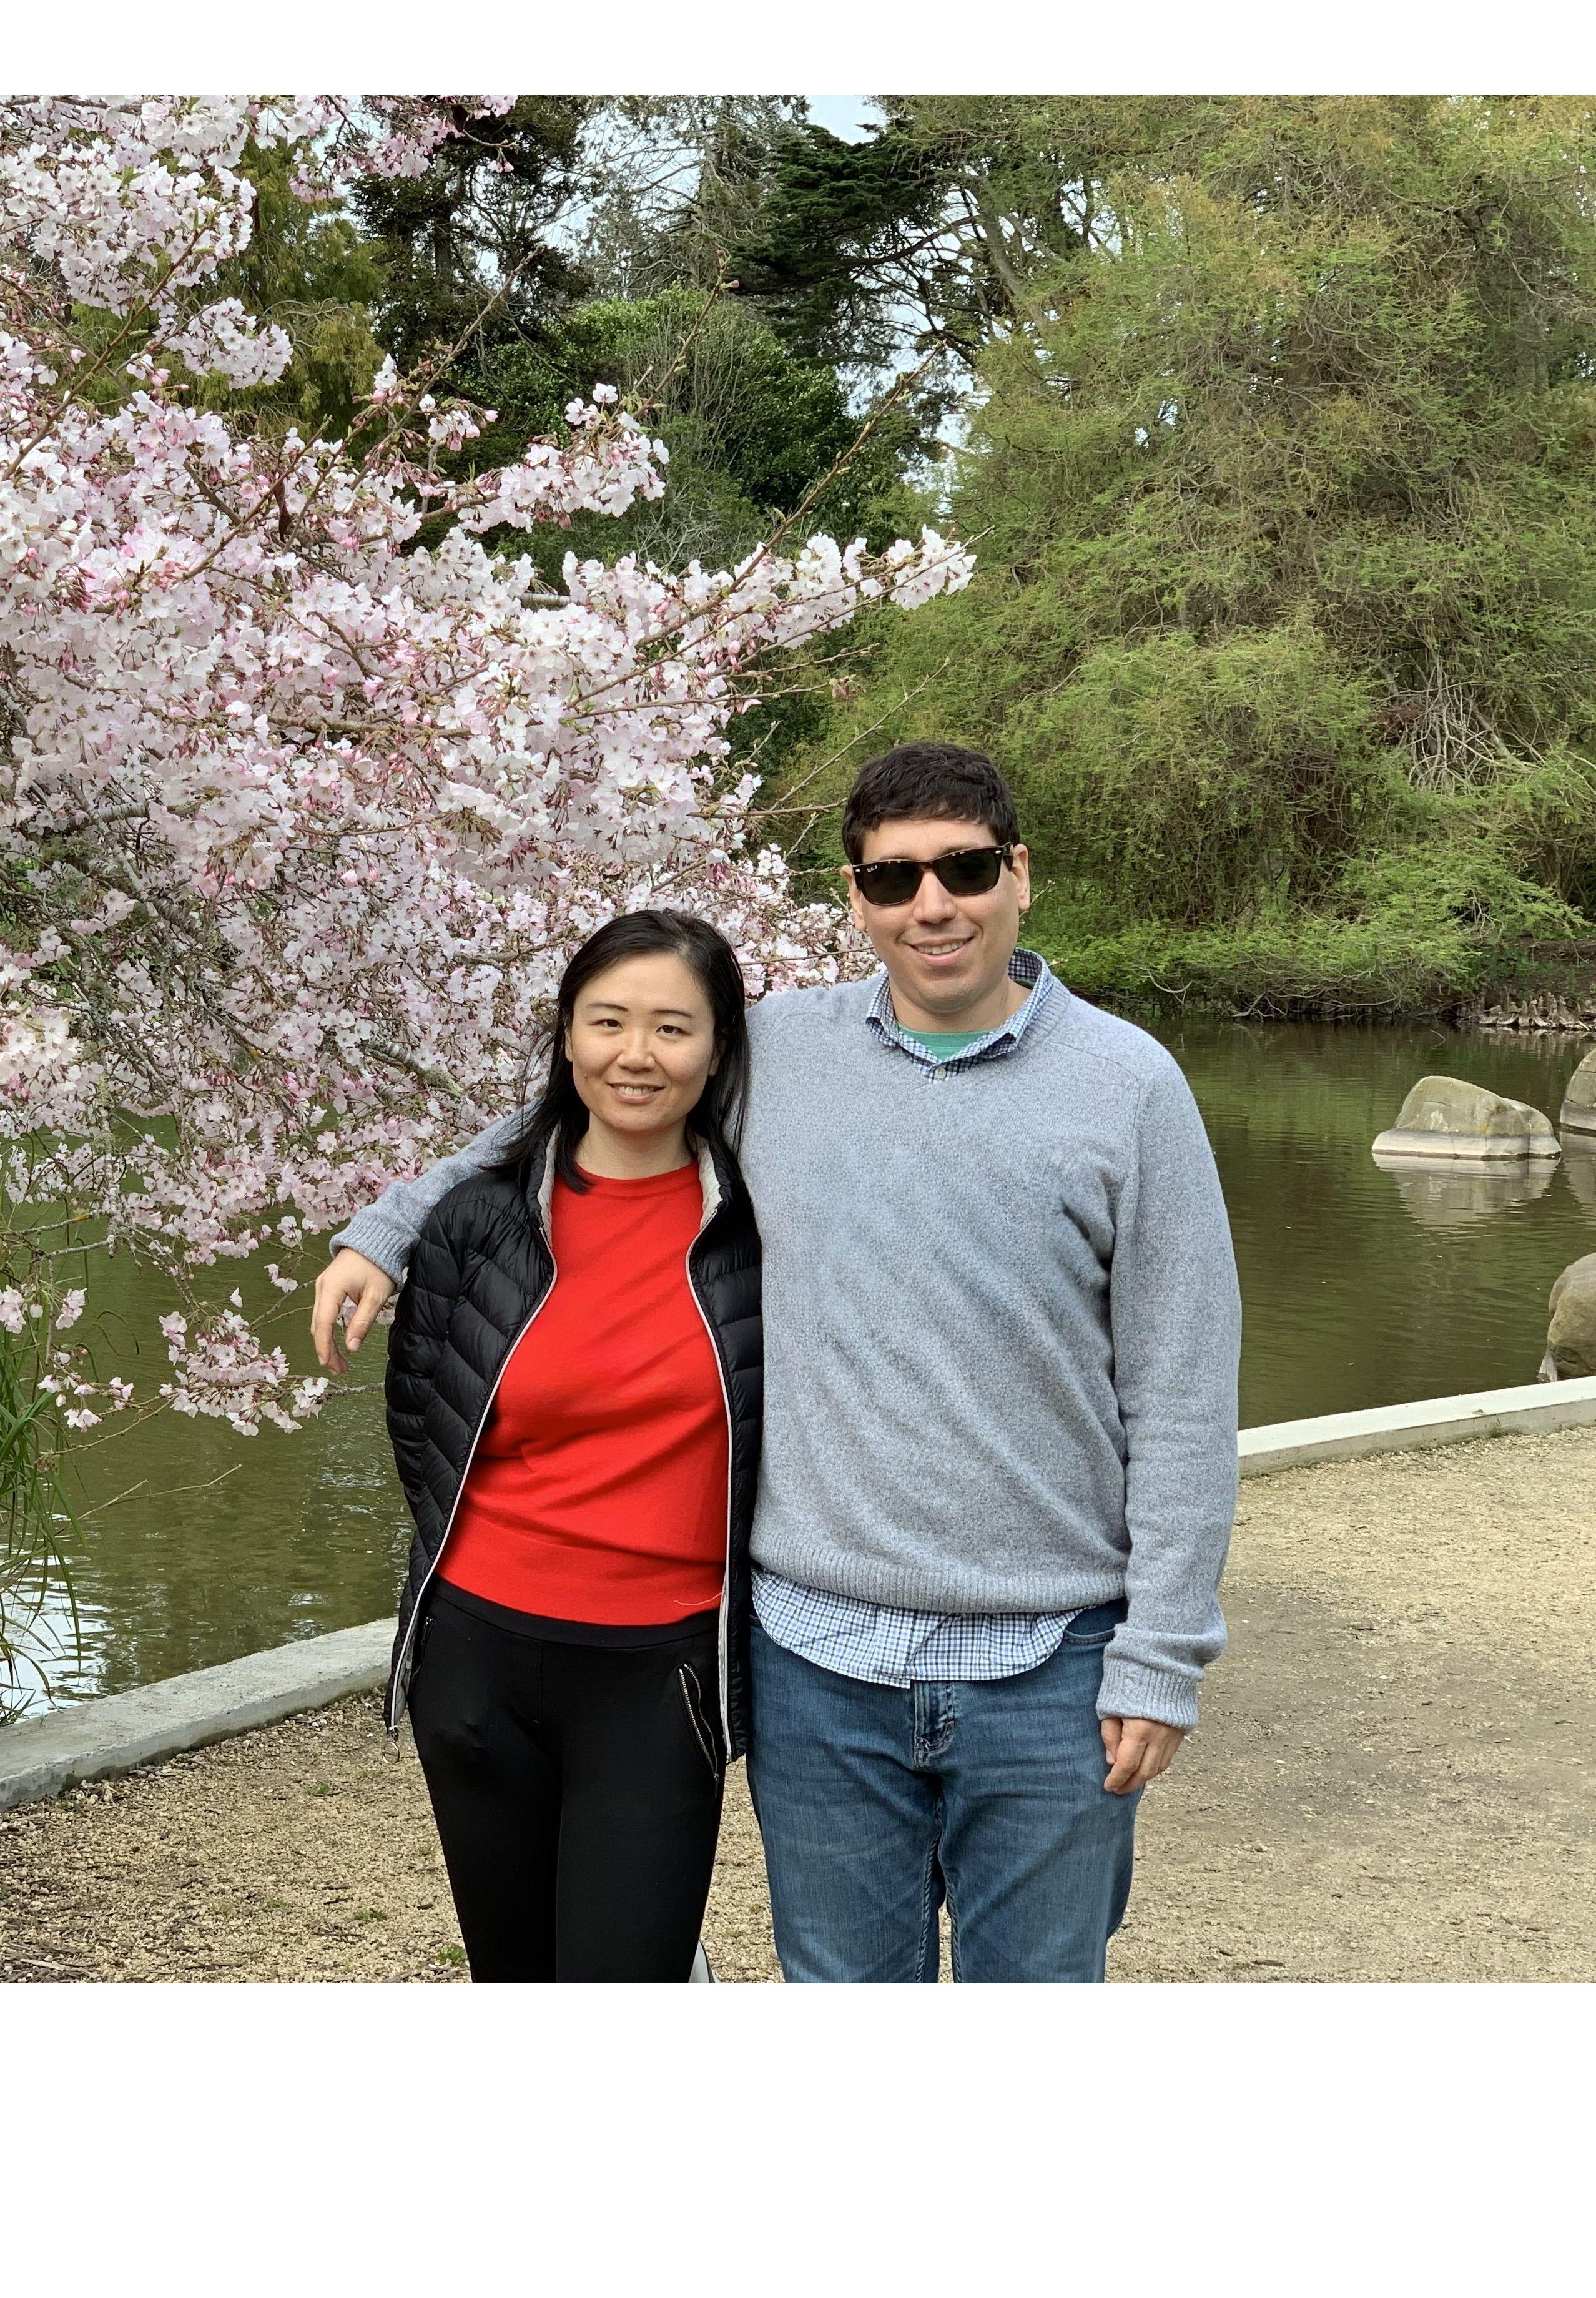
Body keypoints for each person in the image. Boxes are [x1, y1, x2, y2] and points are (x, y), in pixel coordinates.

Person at [315, 742, 1241, 1983]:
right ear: (854, 899)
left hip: (1048, 1662)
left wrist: (1163, 1652)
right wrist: (388, 1228)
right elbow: (574, 1109)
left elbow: (1181, 1392)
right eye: (895, 878)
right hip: (813, 1659)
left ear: (1020, 876)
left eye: (965, 869)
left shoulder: (1129, 1086)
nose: (933, 905)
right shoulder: (778, 1056)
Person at [372, 909, 761, 1983]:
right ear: (567, 1037)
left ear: (719, 1047)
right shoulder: (478, 1222)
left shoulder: (758, 1229)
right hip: (481, 1658)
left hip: (659, 1672)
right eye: (609, 1023)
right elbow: (424, 1421)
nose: (636, 1056)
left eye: (673, 1029)